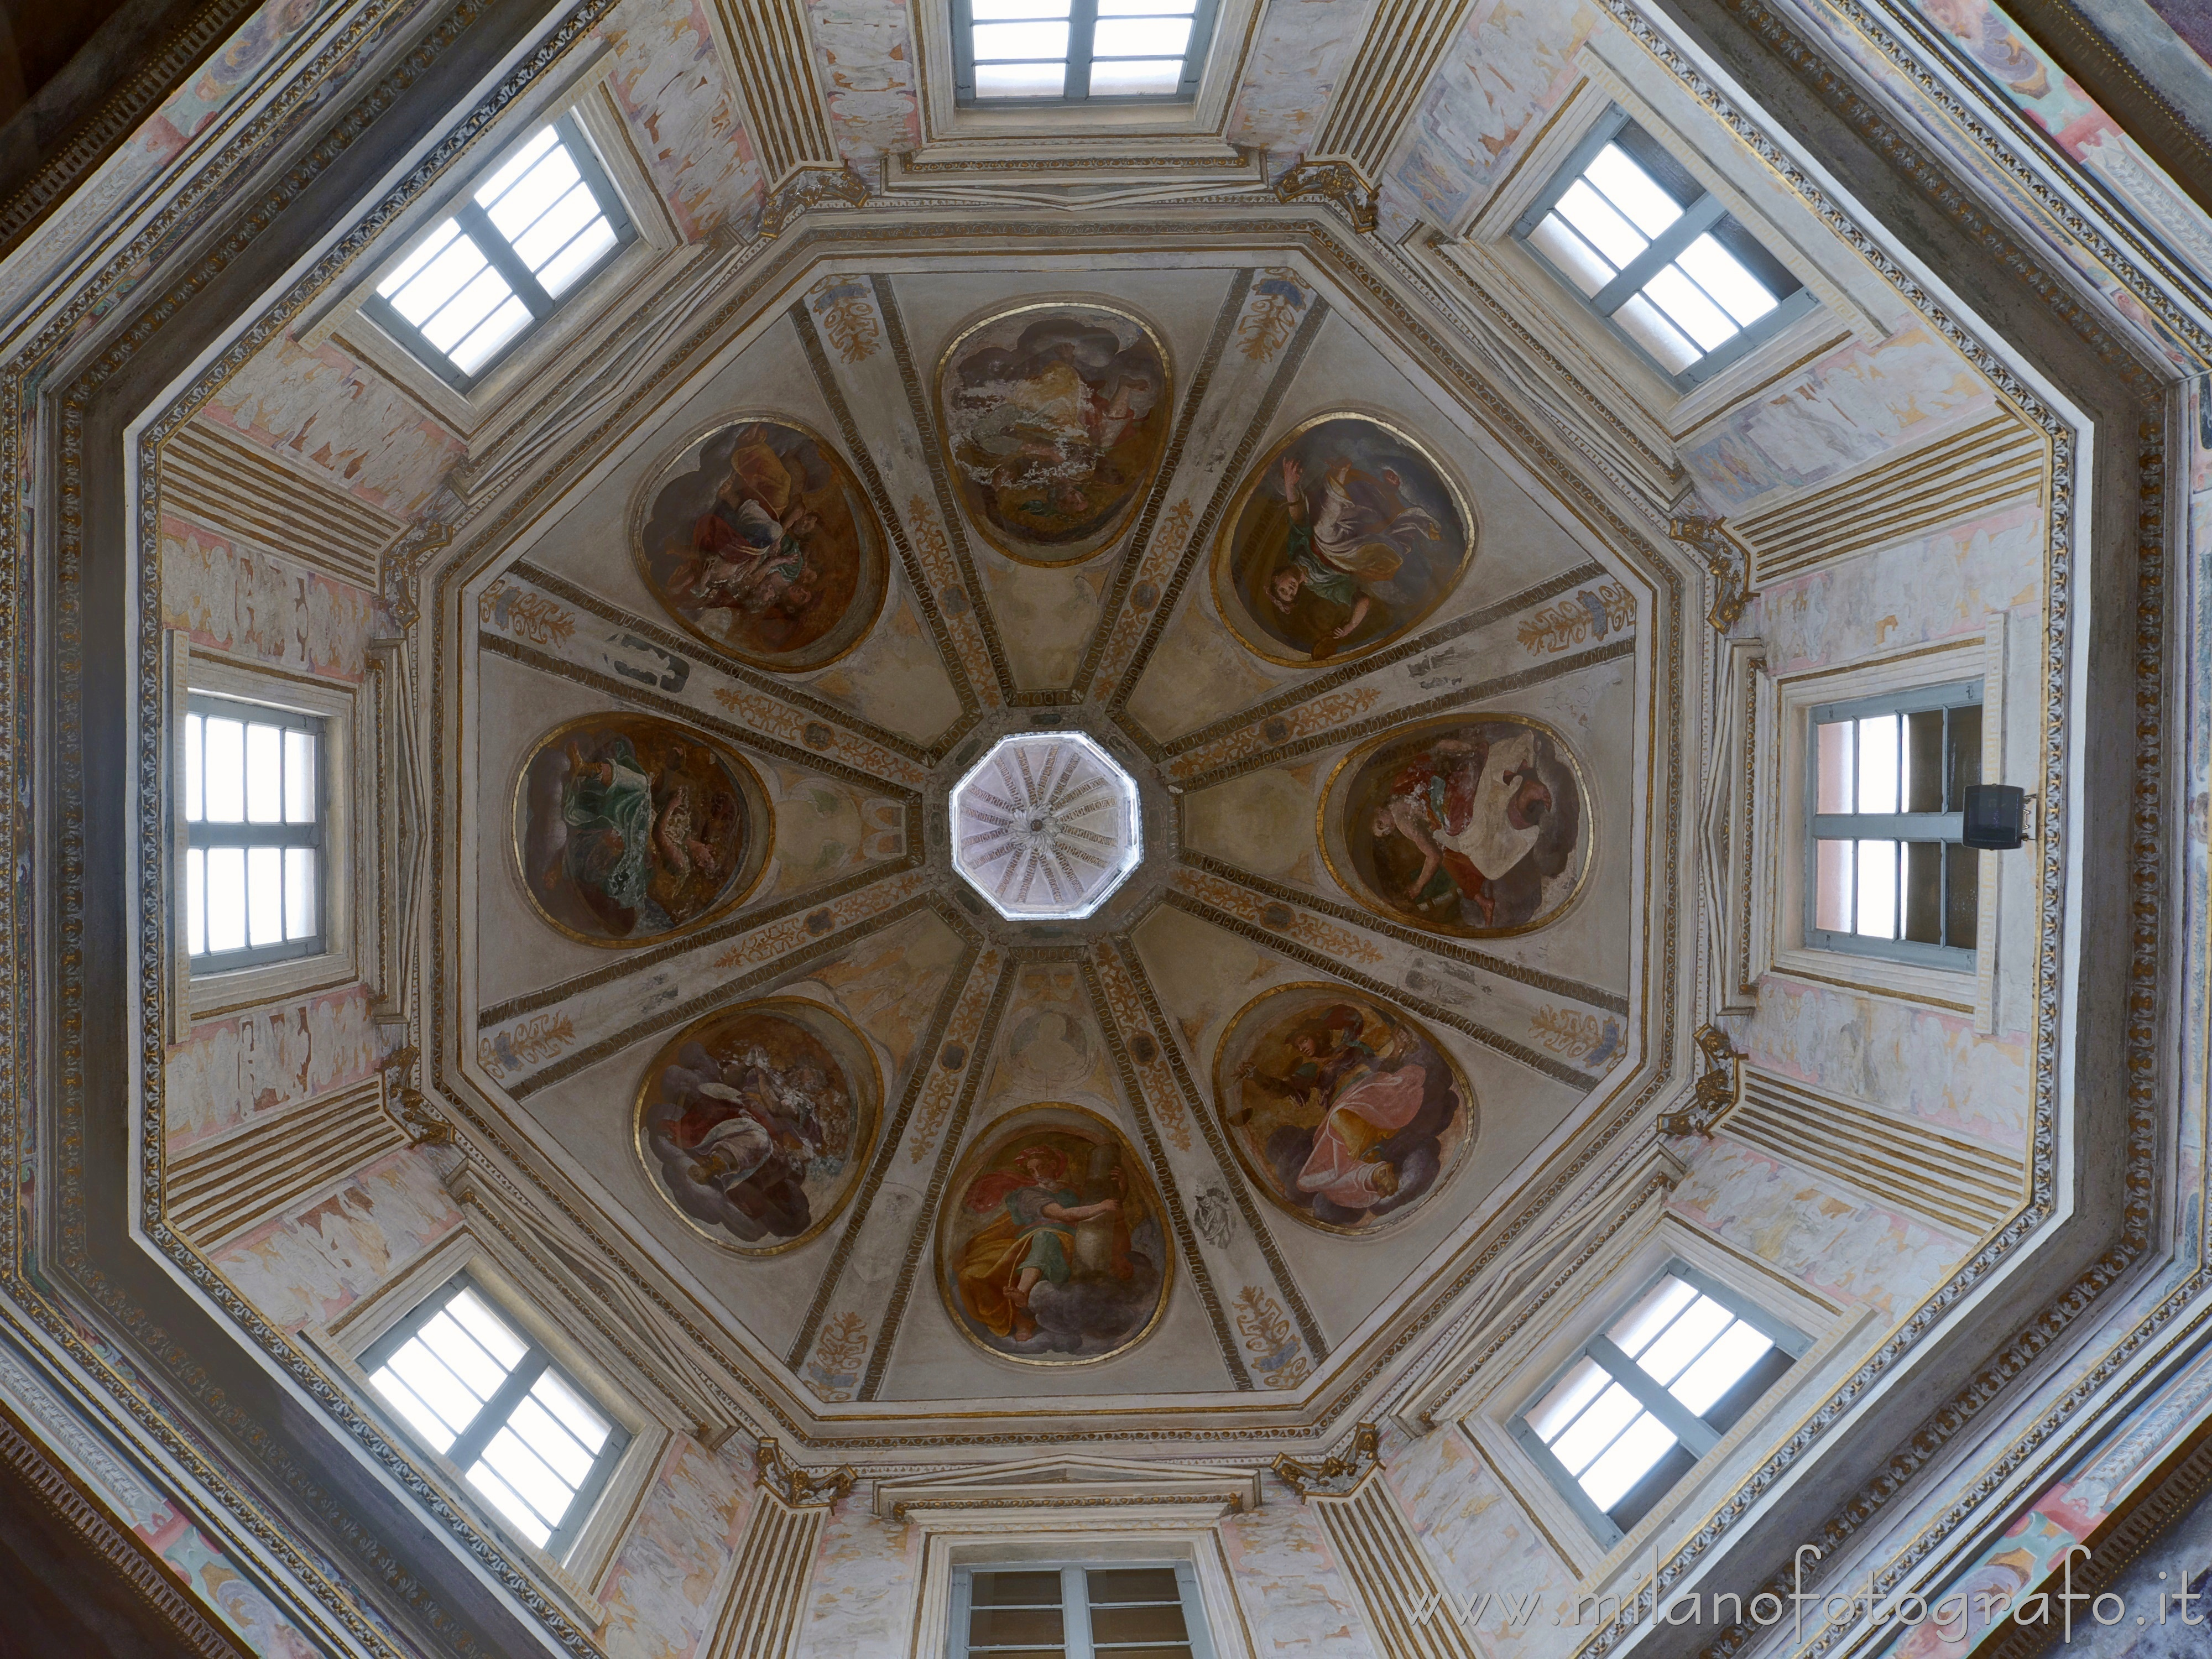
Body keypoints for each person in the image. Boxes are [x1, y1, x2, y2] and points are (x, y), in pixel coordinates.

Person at [1234, 1005, 1429, 1212]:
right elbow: (1285, 1088)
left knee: (1407, 1078)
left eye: (1303, 1041)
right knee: (1334, 1133)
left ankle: (1376, 1162)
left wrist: (1398, 1050)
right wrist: (1257, 1076)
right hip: (1346, 1103)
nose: (1301, 1048)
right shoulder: (1310, 1069)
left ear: (1318, 1035)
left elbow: (1379, 1068)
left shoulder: (1353, 1047)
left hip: (1373, 1090)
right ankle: (1374, 1173)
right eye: (1298, 1045)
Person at [1372, 731, 1553, 926]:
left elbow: (1433, 857)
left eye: (1380, 824)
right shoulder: (1399, 785)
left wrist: (1418, 886)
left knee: (1470, 843)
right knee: (1450, 846)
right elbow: (1435, 752)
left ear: (1378, 810)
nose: (1387, 829)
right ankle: (1517, 784)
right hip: (1448, 786)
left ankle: (1522, 790)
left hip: (1452, 805)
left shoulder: (1402, 821)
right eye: (1385, 833)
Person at [1270, 452, 1442, 656]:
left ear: (1276, 579)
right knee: (1324, 533)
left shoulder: (1294, 552)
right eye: (1292, 594)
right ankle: (1340, 475)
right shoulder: (1320, 587)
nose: (1290, 590)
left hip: (1340, 529)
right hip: (1348, 555)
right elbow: (1363, 601)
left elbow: (1298, 519)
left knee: (1332, 522)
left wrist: (1290, 485)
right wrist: (1351, 626)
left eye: (1283, 591)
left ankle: (1358, 483)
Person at [956, 1145, 1125, 1342]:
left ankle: (1027, 1303)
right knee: (1043, 1237)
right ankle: (1023, 1298)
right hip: (1029, 1242)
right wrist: (1101, 1205)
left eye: (1042, 1167)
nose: (1037, 1174)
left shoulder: (1071, 1190)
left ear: (1053, 1166)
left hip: (1070, 1241)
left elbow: (1109, 1213)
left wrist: (1120, 1187)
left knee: (1048, 1237)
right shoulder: (1029, 1194)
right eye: (1032, 1171)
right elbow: (1063, 1214)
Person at [672, 426, 819, 623]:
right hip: (761, 529)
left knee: (769, 525)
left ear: (788, 605)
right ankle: (751, 445)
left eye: (801, 597)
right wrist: (780, 540)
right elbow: (795, 515)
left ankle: (732, 495)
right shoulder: (793, 570)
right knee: (782, 488)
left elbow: (719, 585)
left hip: (740, 545)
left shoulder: (746, 592)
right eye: (806, 591)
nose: (802, 589)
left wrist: (764, 558)